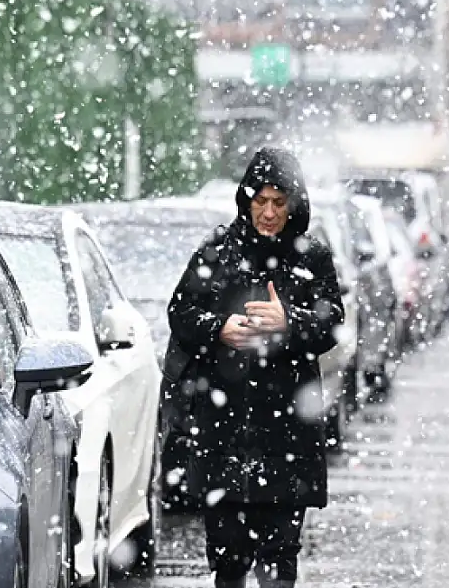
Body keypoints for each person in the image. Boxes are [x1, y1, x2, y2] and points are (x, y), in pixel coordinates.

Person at [165, 147, 345, 588]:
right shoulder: (218, 252)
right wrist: (218, 329)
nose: (268, 213)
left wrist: (291, 323)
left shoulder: (311, 259)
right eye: (260, 201)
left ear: (293, 206)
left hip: (287, 432)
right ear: (246, 202)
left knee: (279, 561)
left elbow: (332, 324)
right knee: (228, 562)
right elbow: (181, 313)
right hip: (223, 431)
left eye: (278, 203)